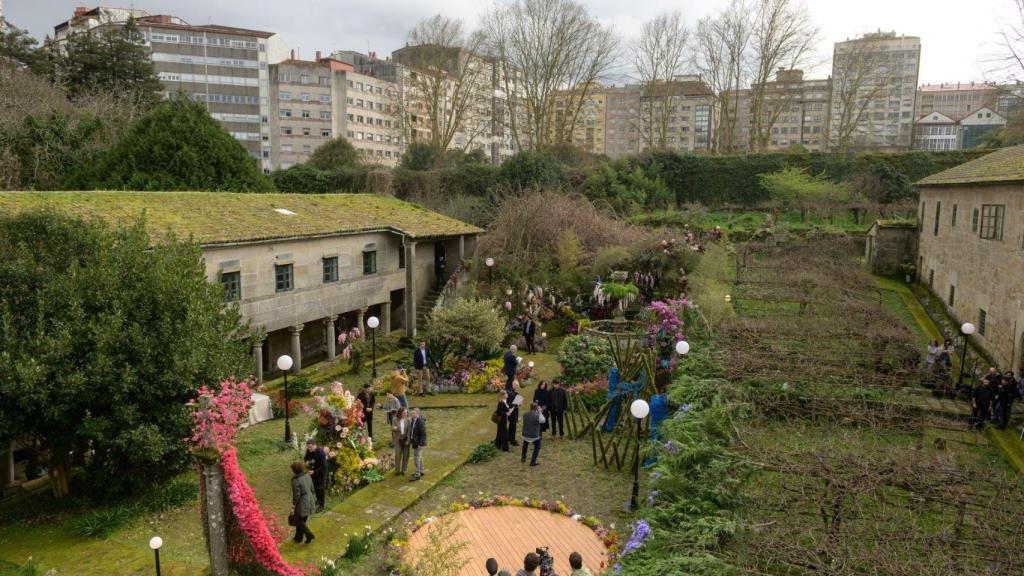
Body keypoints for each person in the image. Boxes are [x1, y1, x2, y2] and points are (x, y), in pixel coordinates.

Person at [290, 461, 315, 543]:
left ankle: (309, 534)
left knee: (299, 520)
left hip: (302, 501)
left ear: (294, 470)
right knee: (302, 519)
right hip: (310, 498)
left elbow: (296, 495)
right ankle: (298, 537)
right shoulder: (307, 476)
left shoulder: (295, 480)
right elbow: (312, 488)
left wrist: (293, 505)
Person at [303, 439, 328, 513]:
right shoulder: (309, 451)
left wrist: (314, 472)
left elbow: (323, 466)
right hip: (313, 471)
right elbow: (306, 457)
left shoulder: (320, 453)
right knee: (315, 487)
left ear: (315, 445)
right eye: (308, 447)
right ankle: (318, 499)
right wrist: (306, 462)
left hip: (320, 472)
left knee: (320, 488)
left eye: (310, 447)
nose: (309, 449)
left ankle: (321, 505)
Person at [521, 401, 546, 466]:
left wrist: (538, 413)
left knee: (525, 445)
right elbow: (543, 421)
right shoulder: (537, 416)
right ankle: (533, 461)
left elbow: (531, 417)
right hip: (534, 435)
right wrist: (540, 412)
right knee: (537, 447)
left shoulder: (525, 414)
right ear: (536, 408)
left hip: (525, 434)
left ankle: (523, 458)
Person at [407, 407, 427, 481]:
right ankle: (421, 471)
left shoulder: (420, 421)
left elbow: (423, 433)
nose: (412, 414)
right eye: (412, 413)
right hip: (415, 442)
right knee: (419, 456)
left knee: (416, 458)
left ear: (418, 414)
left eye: (414, 413)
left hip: (418, 443)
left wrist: (420, 443)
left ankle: (417, 474)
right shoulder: (413, 420)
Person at [392, 407, 411, 475]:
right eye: (404, 413)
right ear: (400, 413)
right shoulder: (395, 419)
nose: (405, 414)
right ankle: (397, 470)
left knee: (406, 455)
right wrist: (394, 429)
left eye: (406, 413)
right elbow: (393, 429)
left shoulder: (408, 420)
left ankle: (404, 469)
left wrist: (408, 440)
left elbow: (409, 431)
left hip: (405, 439)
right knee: (398, 455)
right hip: (397, 439)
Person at [507, 381, 522, 446]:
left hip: (514, 411)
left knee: (512, 426)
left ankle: (509, 438)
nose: (517, 386)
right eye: (516, 385)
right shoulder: (511, 393)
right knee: (513, 426)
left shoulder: (515, 393)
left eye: (518, 385)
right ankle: (512, 440)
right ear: (513, 385)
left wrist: (519, 403)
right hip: (512, 412)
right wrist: (517, 404)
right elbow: (511, 403)